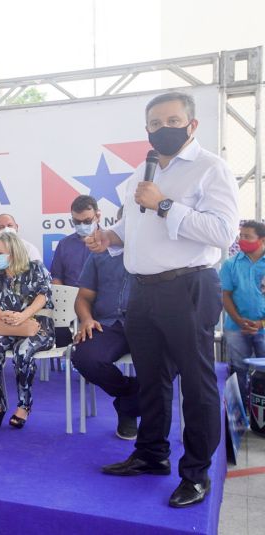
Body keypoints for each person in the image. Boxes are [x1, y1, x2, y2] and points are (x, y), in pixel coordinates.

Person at [87, 92, 239, 508]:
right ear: (147, 129)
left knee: (196, 383)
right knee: (151, 379)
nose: (162, 128)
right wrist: (110, 237)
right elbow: (132, 227)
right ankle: (151, 455)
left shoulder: (211, 168)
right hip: (143, 289)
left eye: (172, 120)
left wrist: (165, 204)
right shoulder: (144, 169)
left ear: (192, 125)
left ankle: (196, 473)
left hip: (189, 286)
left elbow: (223, 234)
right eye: (155, 123)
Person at [0, 231, 54, 429]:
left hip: (36, 325)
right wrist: (3, 316)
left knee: (22, 351)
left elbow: (43, 296)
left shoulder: (34, 267)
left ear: (14, 251)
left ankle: (24, 405)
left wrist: (23, 315)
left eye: (0, 252)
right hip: (7, 325)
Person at [71, 245, 138, 440]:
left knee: (171, 360)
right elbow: (83, 297)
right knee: (85, 357)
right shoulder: (99, 254)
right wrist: (86, 319)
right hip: (107, 324)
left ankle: (128, 409)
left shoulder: (156, 252)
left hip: (147, 326)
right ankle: (131, 396)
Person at [220, 220, 265, 406]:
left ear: (261, 240)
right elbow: (226, 295)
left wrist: (261, 323)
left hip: (263, 328)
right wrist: (238, 320)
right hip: (235, 328)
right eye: (241, 235)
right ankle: (241, 412)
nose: (242, 240)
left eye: (248, 236)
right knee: (238, 370)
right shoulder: (230, 264)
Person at [50, 195, 98, 286]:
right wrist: (63, 297)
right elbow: (56, 277)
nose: (82, 225)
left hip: (102, 298)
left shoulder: (109, 243)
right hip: (71, 298)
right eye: (77, 222)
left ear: (97, 215)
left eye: (87, 221)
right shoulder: (64, 245)